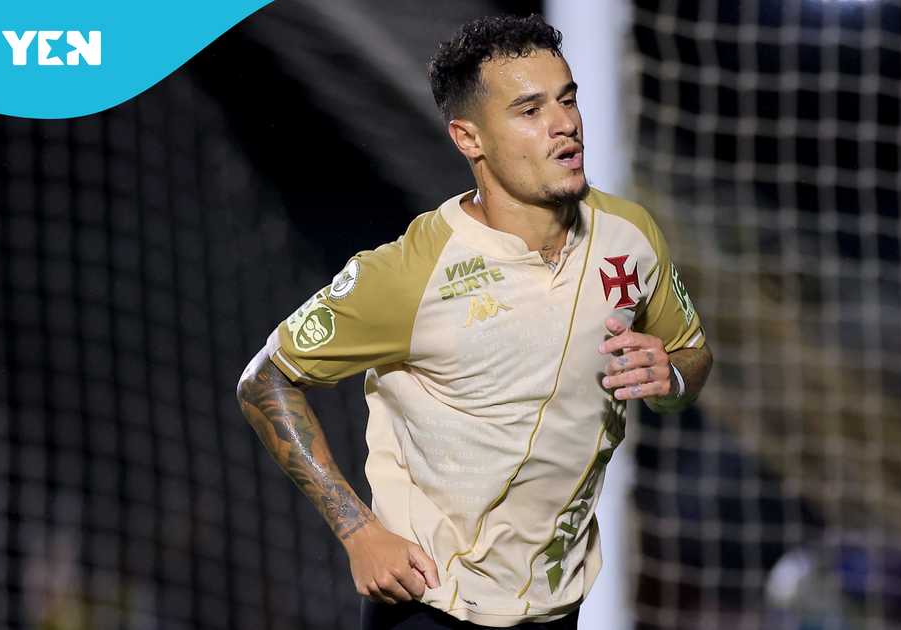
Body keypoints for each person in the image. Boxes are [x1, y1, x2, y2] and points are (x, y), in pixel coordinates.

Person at [236, 14, 713, 630]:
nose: (564, 123)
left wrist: (671, 378)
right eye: (529, 109)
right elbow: (265, 380)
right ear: (468, 138)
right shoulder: (410, 273)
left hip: (556, 608)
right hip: (430, 607)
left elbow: (691, 356)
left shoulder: (632, 235)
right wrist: (357, 530)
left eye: (567, 100)